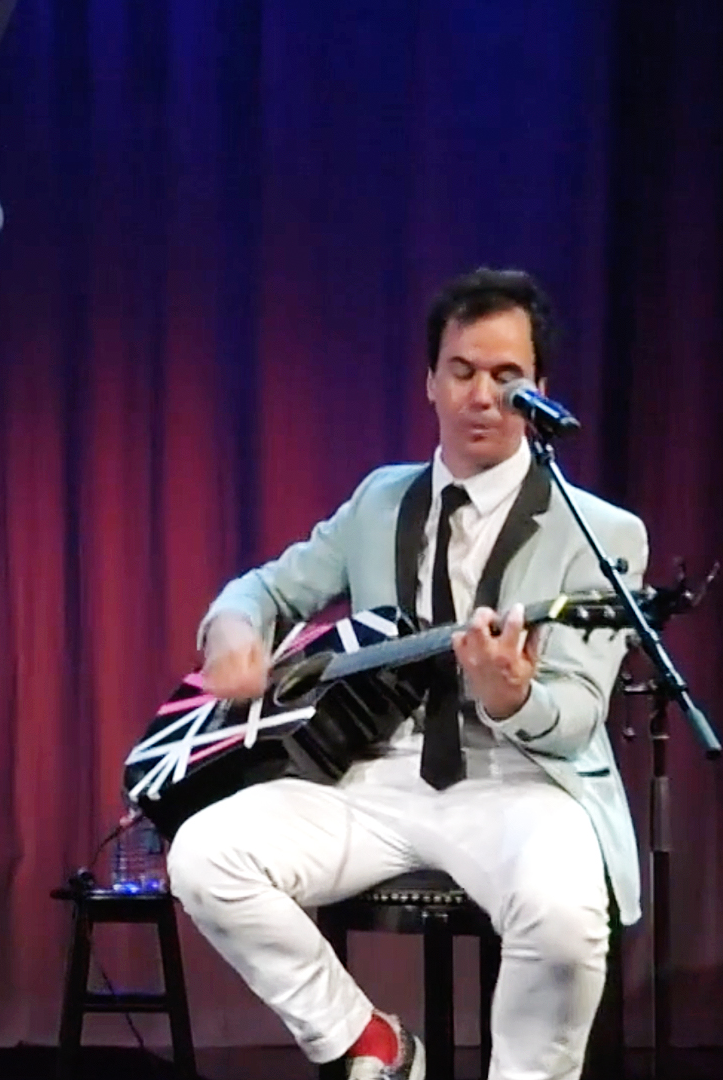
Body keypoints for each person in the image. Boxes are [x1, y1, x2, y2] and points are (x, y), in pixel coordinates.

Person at [167, 268, 647, 1080]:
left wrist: (515, 694)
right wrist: (234, 631)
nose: (483, 397)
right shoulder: (380, 500)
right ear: (431, 382)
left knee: (564, 920)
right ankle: (376, 1047)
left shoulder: (602, 533)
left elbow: (576, 713)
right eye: (462, 372)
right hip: (372, 779)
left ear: (539, 391)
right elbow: (270, 586)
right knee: (205, 852)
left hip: (523, 782)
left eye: (508, 378)